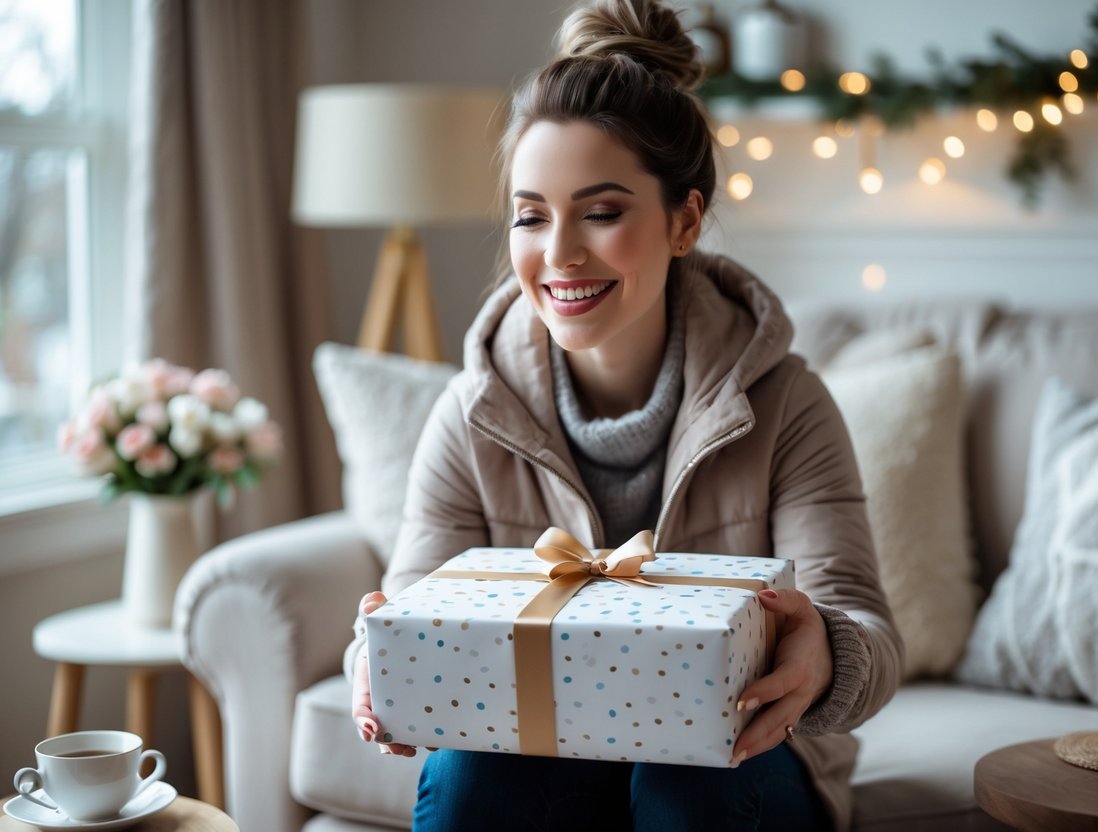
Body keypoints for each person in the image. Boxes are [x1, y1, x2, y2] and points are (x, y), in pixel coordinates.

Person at [346, 1, 903, 829]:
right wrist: (374, 659)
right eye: (531, 215)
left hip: (740, 764)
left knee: (689, 779)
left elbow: (864, 626)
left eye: (601, 212)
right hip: (539, 749)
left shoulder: (787, 404)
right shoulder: (469, 415)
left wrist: (826, 650)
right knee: (470, 780)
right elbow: (412, 605)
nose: (559, 252)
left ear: (684, 219)